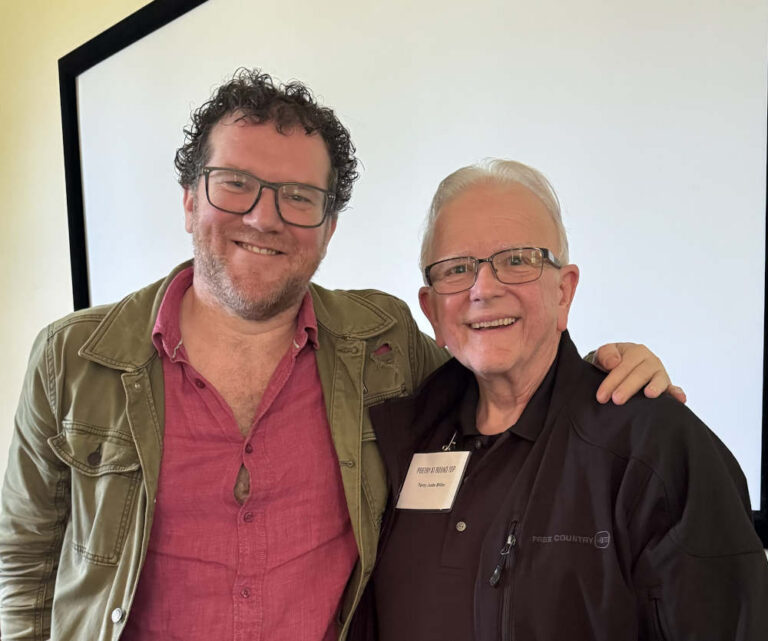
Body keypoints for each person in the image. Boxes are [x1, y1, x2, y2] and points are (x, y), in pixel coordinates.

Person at [0, 70, 680, 641]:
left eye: (300, 198)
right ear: (189, 198)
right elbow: (23, 560)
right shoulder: (72, 359)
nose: (265, 217)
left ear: (327, 228)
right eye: (235, 183)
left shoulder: (379, 341)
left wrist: (605, 370)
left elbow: (498, 363)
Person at [362, 159, 768, 640]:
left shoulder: (655, 450)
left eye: (517, 260)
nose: (484, 289)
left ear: (564, 291)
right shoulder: (399, 439)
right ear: (431, 309)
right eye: (457, 268)